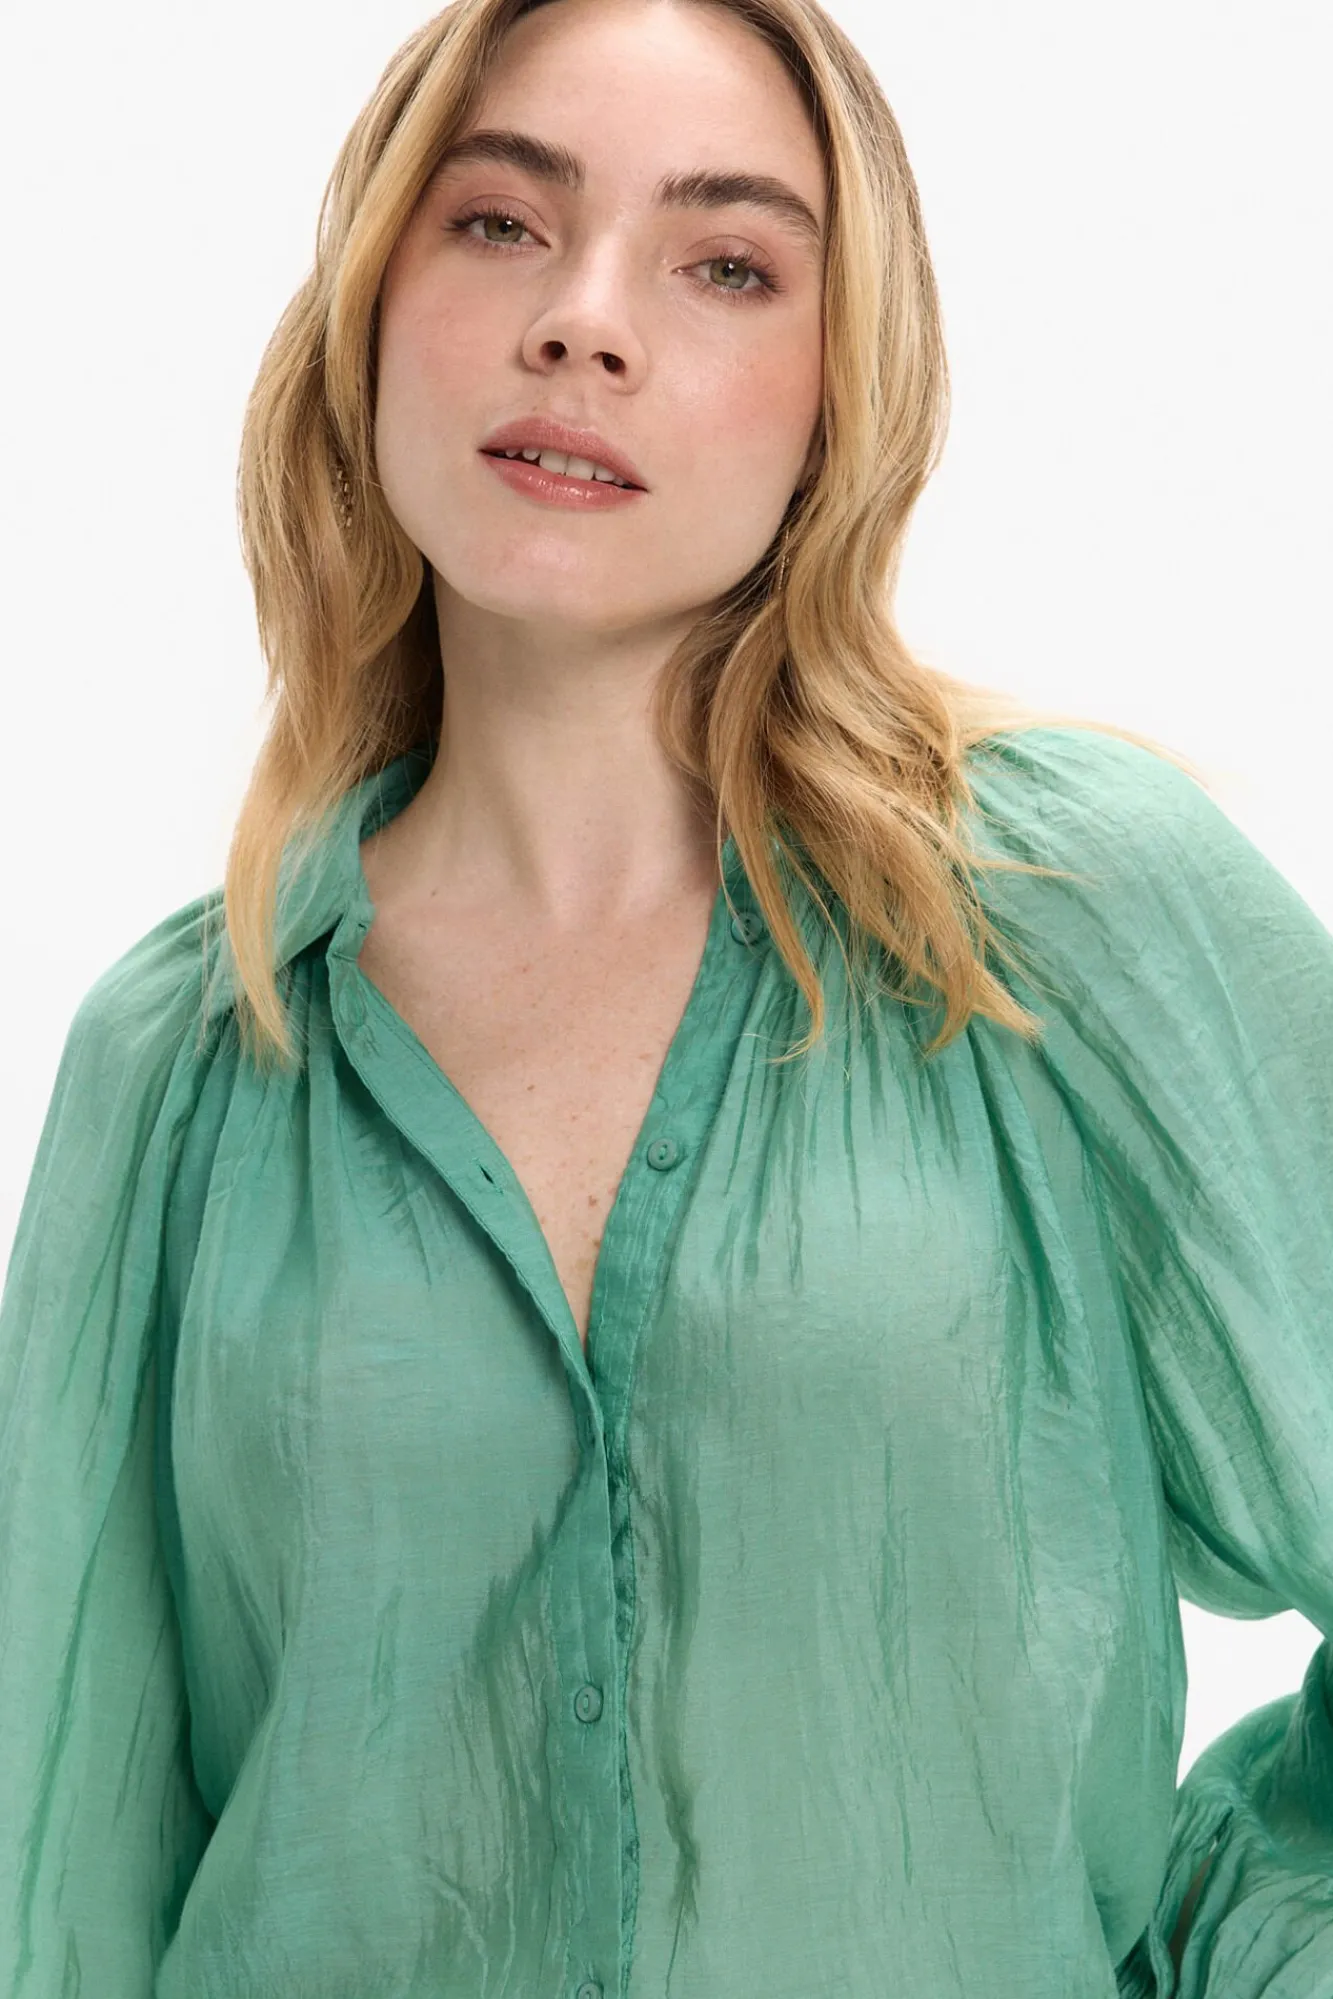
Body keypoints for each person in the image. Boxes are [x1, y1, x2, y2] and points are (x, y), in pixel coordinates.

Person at [2, 0, 1330, 1992]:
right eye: (499, 223)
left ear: (837, 397)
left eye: (725, 264)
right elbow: (61, 1873)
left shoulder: (1060, 916)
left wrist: (1244, 1941)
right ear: (372, 309)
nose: (585, 324)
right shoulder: (181, 1064)